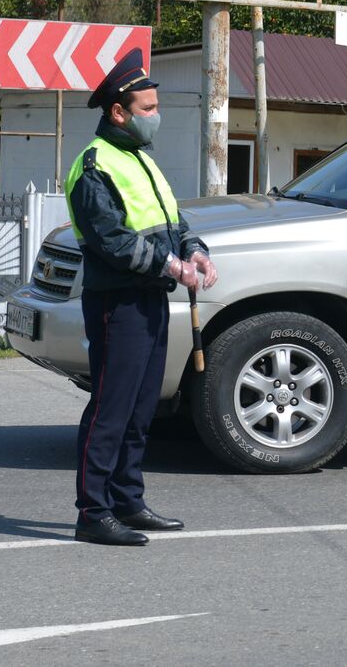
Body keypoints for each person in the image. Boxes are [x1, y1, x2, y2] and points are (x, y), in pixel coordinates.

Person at [65, 49, 218, 546]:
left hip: (151, 301)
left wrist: (194, 252)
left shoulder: (141, 161)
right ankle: (92, 510)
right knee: (112, 407)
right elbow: (112, 240)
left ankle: (127, 500)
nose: (156, 116)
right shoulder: (94, 166)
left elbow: (173, 223)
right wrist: (170, 266)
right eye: (148, 108)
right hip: (117, 305)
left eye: (154, 107)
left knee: (141, 407)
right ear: (119, 111)